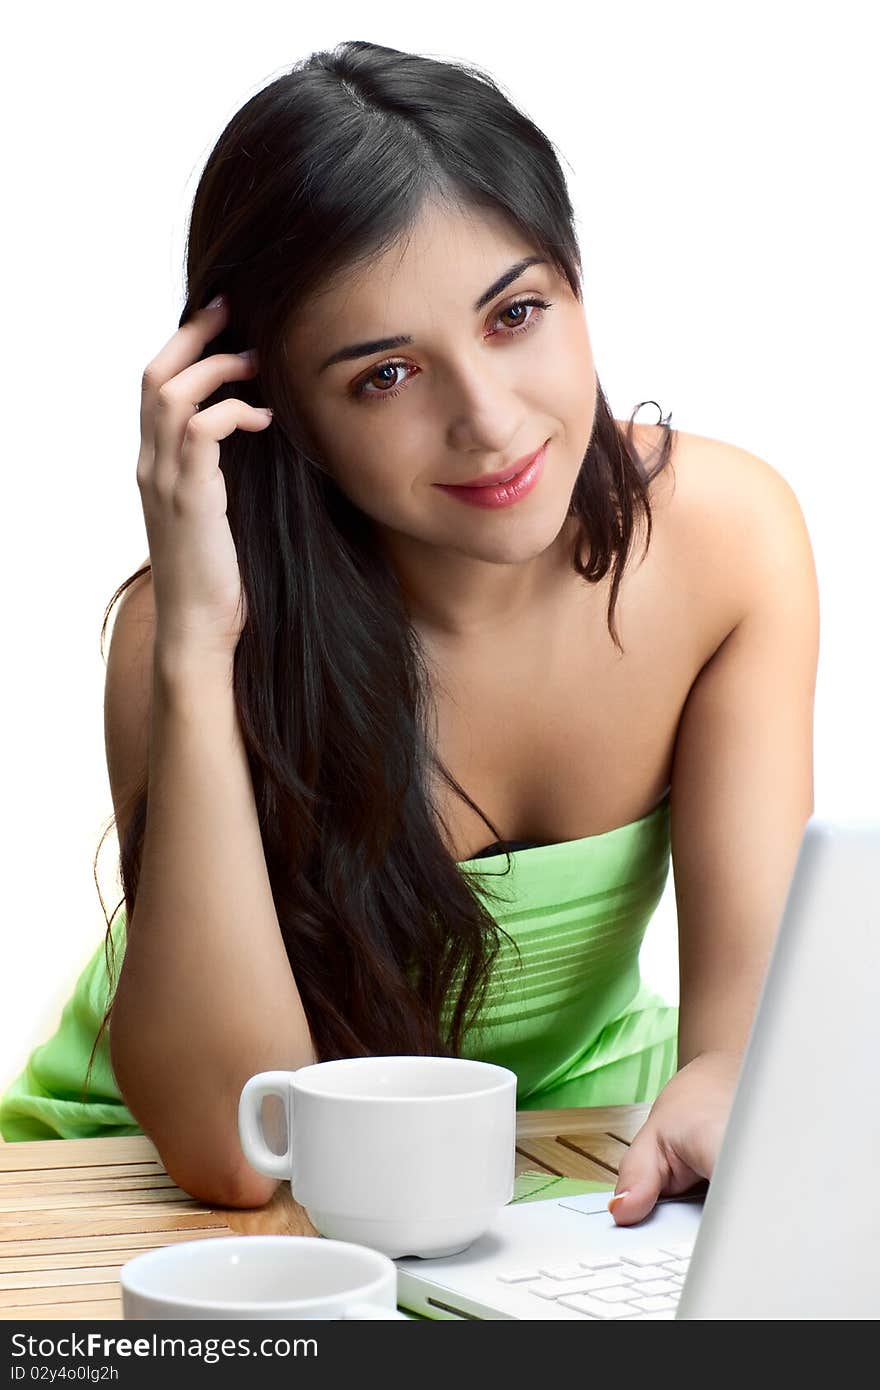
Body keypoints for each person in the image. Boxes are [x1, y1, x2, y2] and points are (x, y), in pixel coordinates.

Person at [0, 40, 818, 1226]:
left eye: (517, 313)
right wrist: (193, 644)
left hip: (562, 1160)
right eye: (384, 376)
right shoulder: (193, 634)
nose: (486, 422)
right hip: (153, 1187)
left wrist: (729, 1115)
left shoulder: (726, 546)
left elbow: (744, 1062)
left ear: (579, 286)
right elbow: (235, 1150)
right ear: (274, 407)